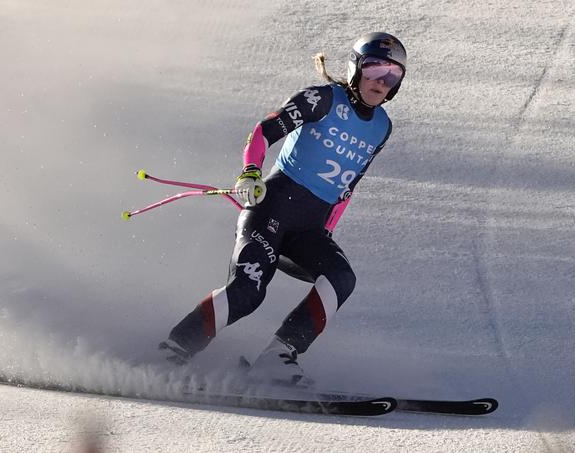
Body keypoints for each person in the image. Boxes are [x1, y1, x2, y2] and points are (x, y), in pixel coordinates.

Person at [158, 32, 407, 385]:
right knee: (247, 292)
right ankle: (174, 350)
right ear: (355, 68)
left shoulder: (382, 127)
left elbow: (347, 187)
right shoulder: (322, 98)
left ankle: (278, 356)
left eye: (392, 75)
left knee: (341, 278)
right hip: (270, 210)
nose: (381, 81)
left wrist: (327, 232)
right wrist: (250, 172)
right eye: (374, 68)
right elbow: (264, 131)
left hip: (308, 229)